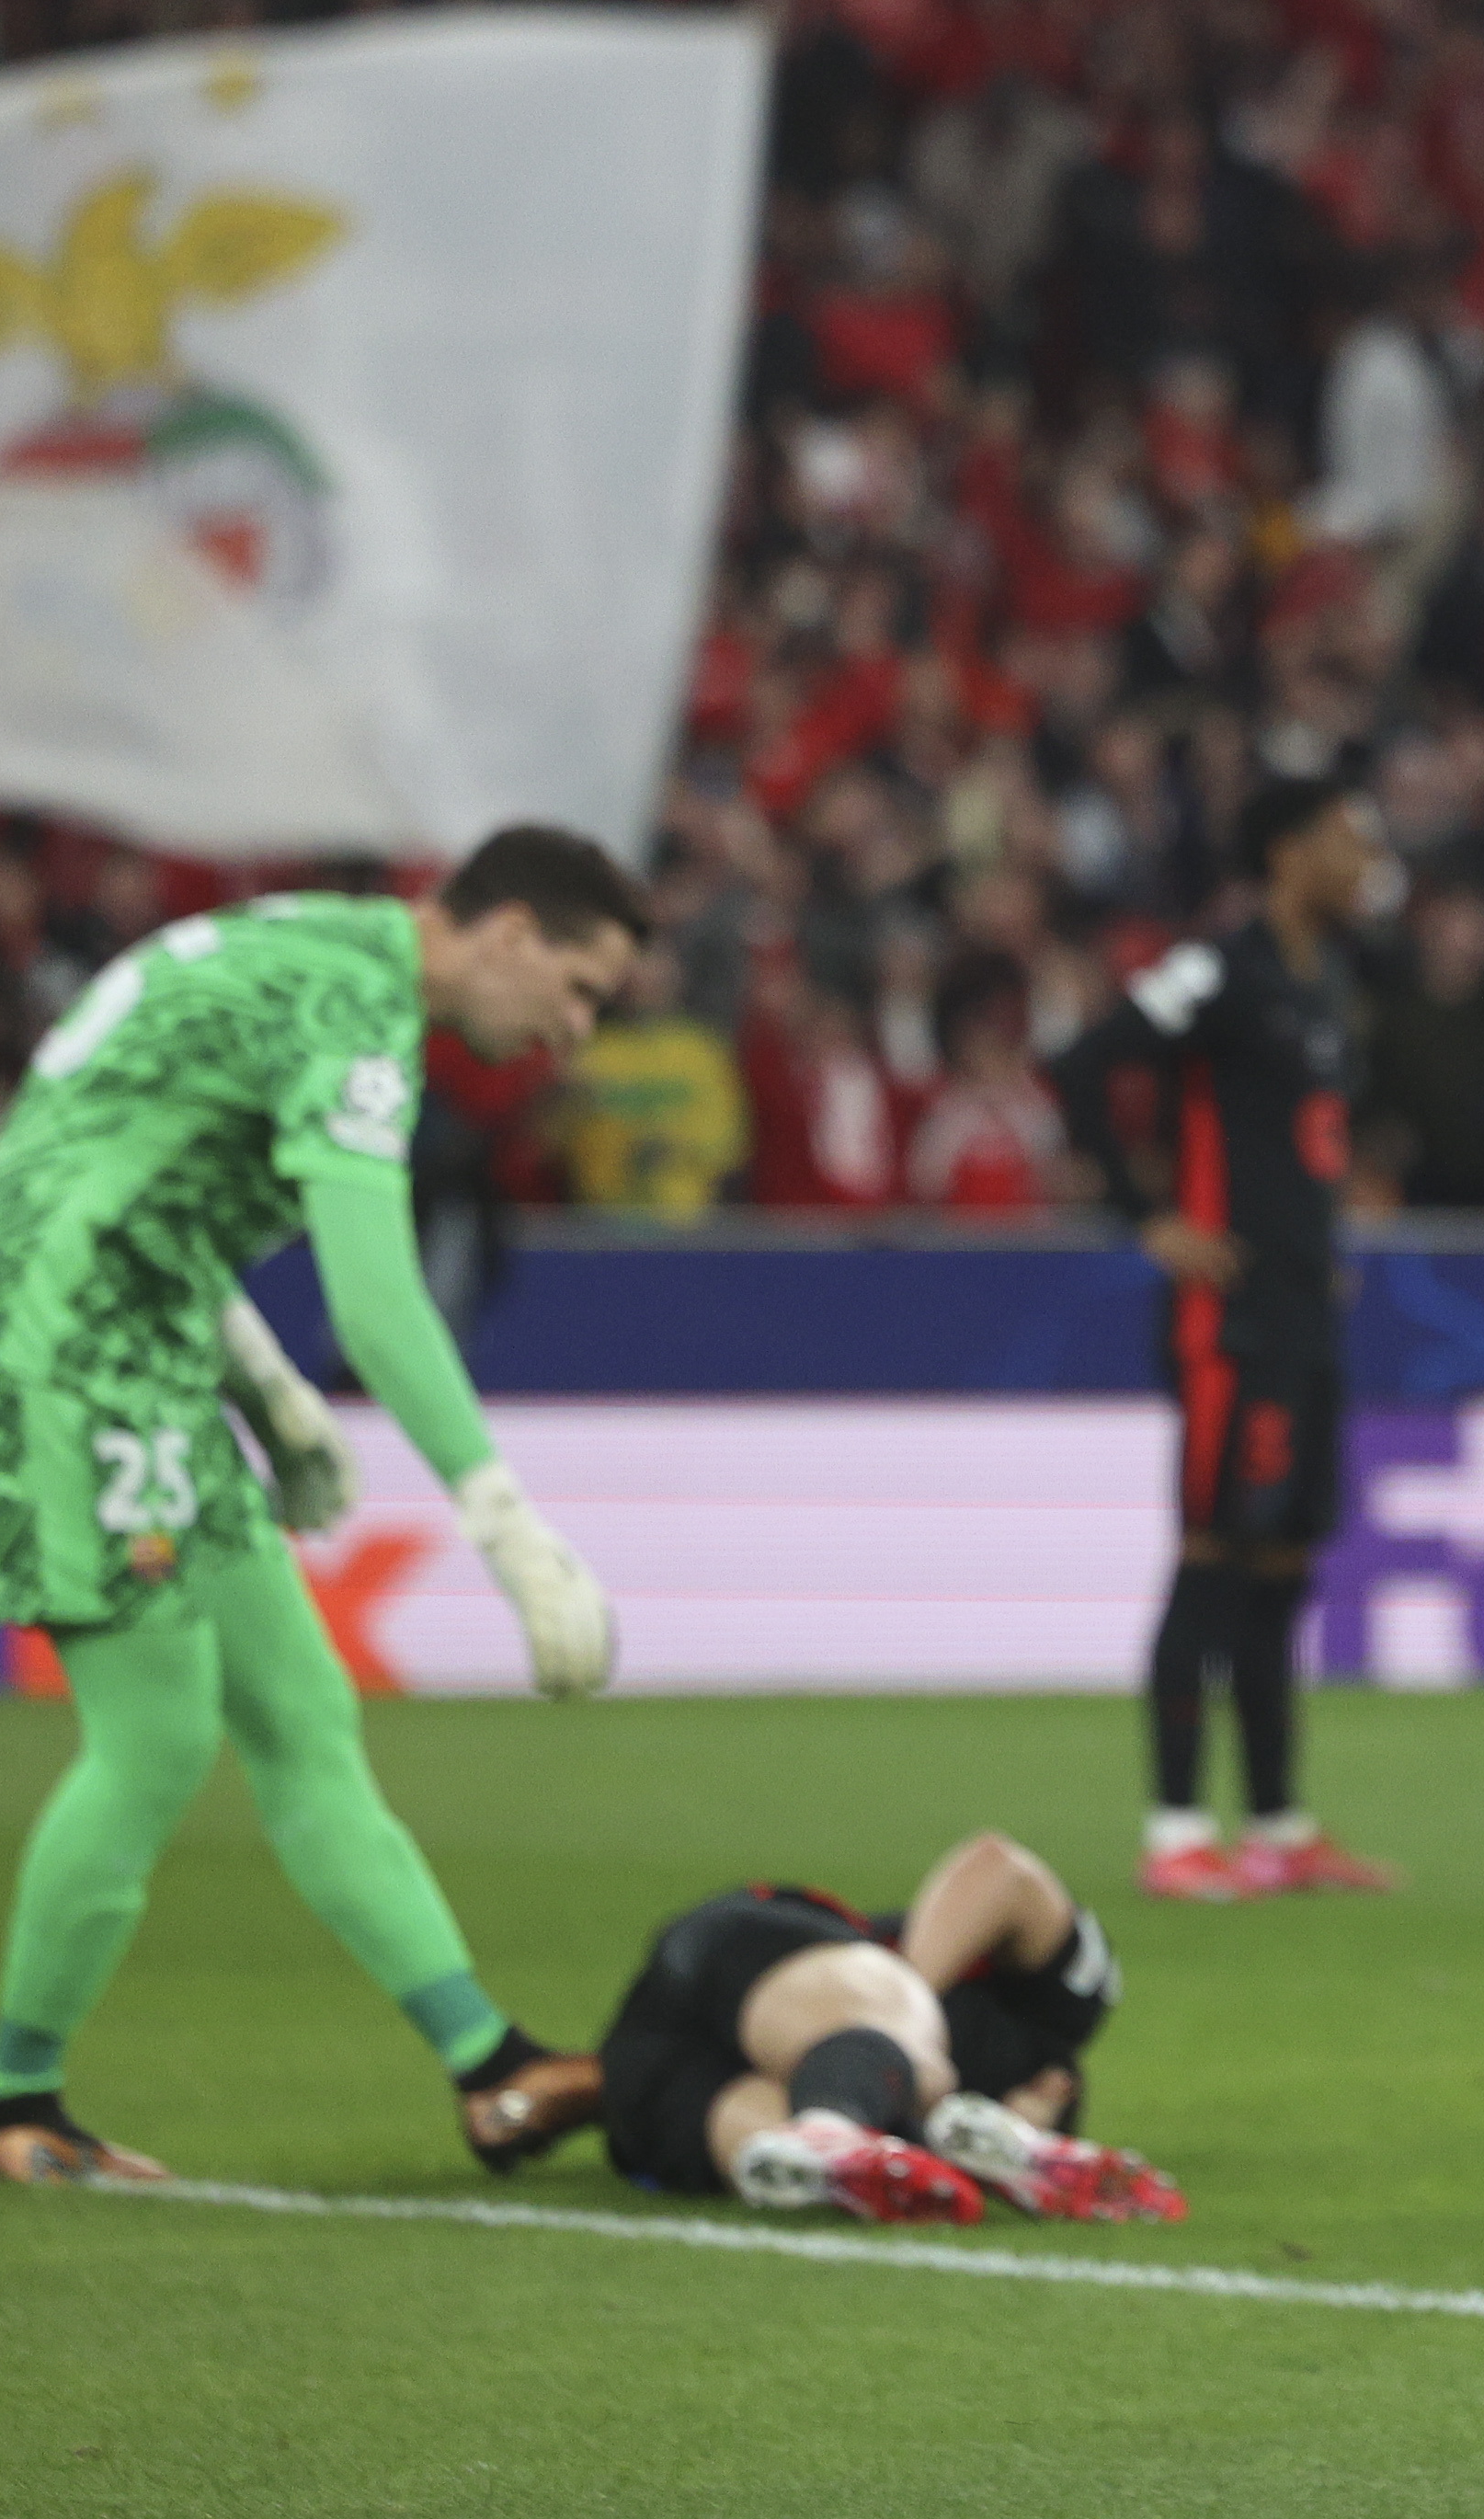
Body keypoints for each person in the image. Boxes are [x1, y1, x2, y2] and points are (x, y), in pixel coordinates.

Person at [0, 830, 644, 2186]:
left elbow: (123, 1148)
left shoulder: (307, 944)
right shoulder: (353, 1009)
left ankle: (492, 2067)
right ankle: (13, 2102)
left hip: (144, 1333)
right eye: (582, 985)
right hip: (52, 1343)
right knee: (157, 1732)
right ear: (510, 931)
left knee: (302, 1709)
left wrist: (261, 1383)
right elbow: (376, 1300)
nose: (575, 1028)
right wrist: (508, 1527)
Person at [1056, 775, 1398, 1903]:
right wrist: (1146, 1216)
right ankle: (1172, 1835)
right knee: (1209, 1560)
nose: (1364, 859)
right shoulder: (1219, 968)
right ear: (1290, 852)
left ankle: (1278, 1828)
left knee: (1280, 1568)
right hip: (1231, 1323)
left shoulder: (1324, 980)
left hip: (1304, 1316)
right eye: (1348, 839)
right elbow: (1080, 1066)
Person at [596, 1830, 1182, 2227]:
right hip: (753, 1954)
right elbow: (999, 1865)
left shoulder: (996, 2056)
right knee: (899, 2053)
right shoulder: (1055, 2011)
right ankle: (841, 2127)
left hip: (651, 2088)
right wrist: (910, 2002)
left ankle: (834, 2145)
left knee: (787, 2147)